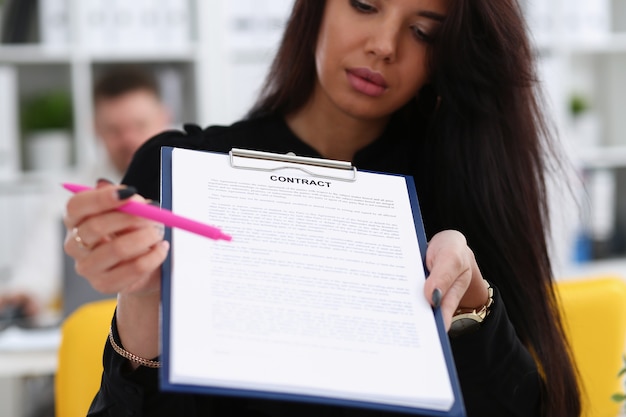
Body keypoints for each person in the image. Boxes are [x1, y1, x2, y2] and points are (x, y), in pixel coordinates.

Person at [62, 1, 582, 416]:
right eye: (363, 5)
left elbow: (527, 407)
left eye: (423, 32)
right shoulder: (183, 173)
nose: (382, 46)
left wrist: (470, 305)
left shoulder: (462, 193)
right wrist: (144, 301)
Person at [0, 65, 172, 320]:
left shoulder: (192, 185)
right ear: (96, 129)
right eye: (114, 130)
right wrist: (24, 297)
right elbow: (34, 275)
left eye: (139, 125)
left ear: (164, 118)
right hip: (98, 332)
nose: (128, 139)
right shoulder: (66, 199)